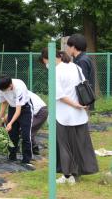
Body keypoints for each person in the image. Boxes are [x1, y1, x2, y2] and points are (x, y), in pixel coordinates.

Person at [40, 48, 98, 184]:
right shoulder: (75, 67)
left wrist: (75, 105)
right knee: (78, 145)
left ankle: (68, 176)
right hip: (79, 114)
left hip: (64, 115)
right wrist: (80, 105)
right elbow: (84, 85)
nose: (46, 65)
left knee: (65, 146)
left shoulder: (55, 71)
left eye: (45, 62)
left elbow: (60, 96)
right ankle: (76, 173)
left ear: (49, 58)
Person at [0, 75, 34, 169]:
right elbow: (4, 104)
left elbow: (19, 110)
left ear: (10, 85)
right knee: (12, 134)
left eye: (5, 90)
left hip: (25, 109)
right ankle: (12, 158)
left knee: (25, 135)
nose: (3, 92)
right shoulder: (0, 88)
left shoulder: (19, 86)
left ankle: (26, 160)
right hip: (12, 108)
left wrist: (10, 122)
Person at [67, 33, 95, 110]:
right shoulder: (84, 58)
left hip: (83, 100)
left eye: (69, 46)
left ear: (74, 47)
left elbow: (82, 82)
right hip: (85, 99)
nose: (67, 49)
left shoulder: (81, 61)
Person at [28, 91, 48, 155]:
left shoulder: (20, 93)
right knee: (29, 131)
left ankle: (33, 151)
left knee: (28, 130)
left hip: (40, 111)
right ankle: (35, 151)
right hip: (36, 111)